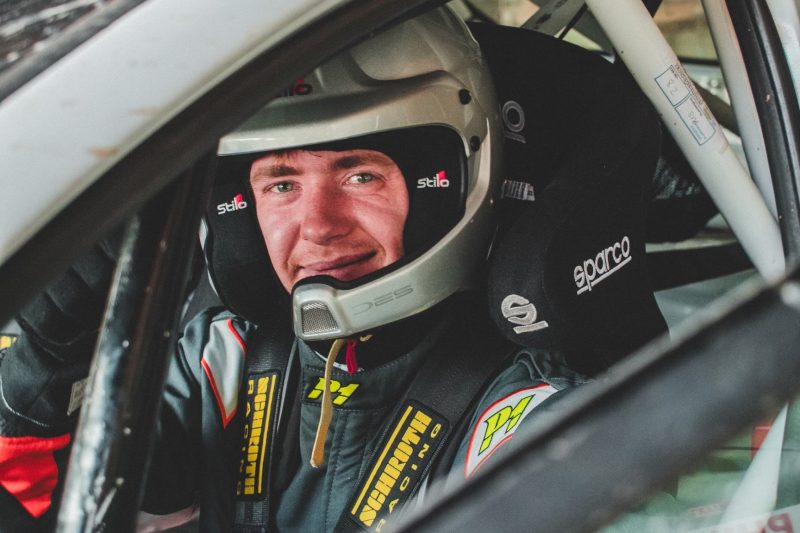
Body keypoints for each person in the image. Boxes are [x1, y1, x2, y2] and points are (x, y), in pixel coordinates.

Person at [1, 6, 589, 532]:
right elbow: (42, 505)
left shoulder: (525, 418)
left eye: (360, 175)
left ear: (449, 181)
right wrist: (53, 350)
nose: (318, 227)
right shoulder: (220, 360)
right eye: (281, 185)